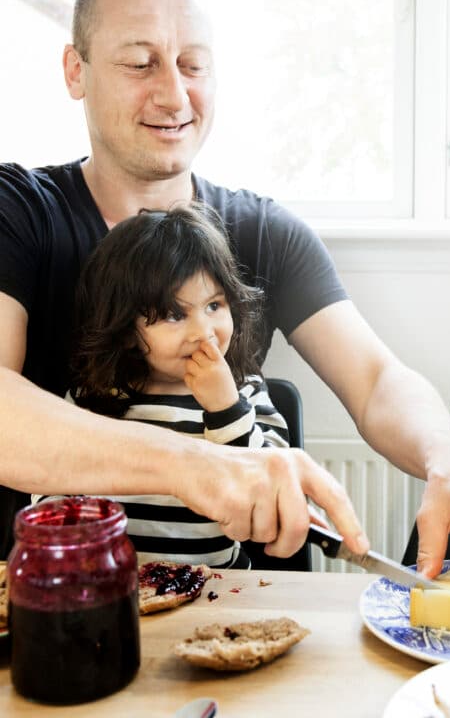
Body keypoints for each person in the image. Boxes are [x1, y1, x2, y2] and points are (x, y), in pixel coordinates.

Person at [0, 0, 450, 612]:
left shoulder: (266, 232)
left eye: (193, 65)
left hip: (224, 610)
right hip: (52, 611)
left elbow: (376, 381)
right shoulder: (19, 213)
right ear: (75, 71)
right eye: (140, 63)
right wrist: (197, 465)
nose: (173, 96)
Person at [35, 203, 292, 568]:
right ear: (126, 331)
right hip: (119, 592)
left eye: (215, 305)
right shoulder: (95, 399)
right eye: (174, 314)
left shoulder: (245, 392)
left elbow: (265, 491)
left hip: (220, 588)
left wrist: (225, 408)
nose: (204, 332)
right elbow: (51, 491)